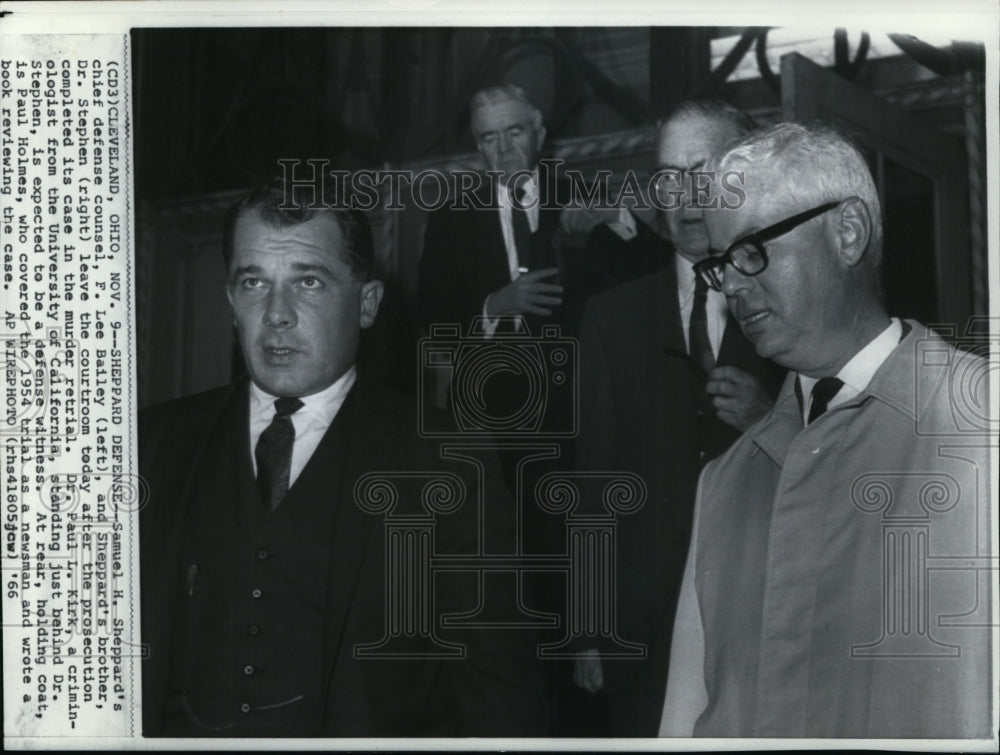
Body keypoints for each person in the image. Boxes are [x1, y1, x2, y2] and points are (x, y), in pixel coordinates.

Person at [139, 177, 546, 737]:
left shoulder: (449, 464)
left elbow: (496, 694)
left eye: (308, 281)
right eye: (254, 282)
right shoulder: (150, 445)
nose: (276, 313)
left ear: (367, 304)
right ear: (231, 301)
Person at [661, 122, 992, 738]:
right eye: (720, 265)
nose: (731, 284)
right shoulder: (723, 485)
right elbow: (682, 722)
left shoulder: (981, 425)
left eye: (753, 251)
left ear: (847, 232)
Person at [569, 99, 785, 736]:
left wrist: (769, 420)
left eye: (706, 171)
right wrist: (588, 627)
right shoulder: (610, 319)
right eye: (670, 176)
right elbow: (592, 485)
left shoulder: (798, 301)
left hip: (768, 614)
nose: (687, 196)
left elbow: (852, 465)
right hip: (642, 627)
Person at [417, 83, 574, 337]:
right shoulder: (451, 219)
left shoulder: (583, 197)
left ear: (540, 136)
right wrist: (494, 306)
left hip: (577, 369)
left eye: (514, 132)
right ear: (480, 148)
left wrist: (616, 218)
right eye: (489, 137)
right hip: (491, 370)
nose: (503, 148)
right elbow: (431, 316)